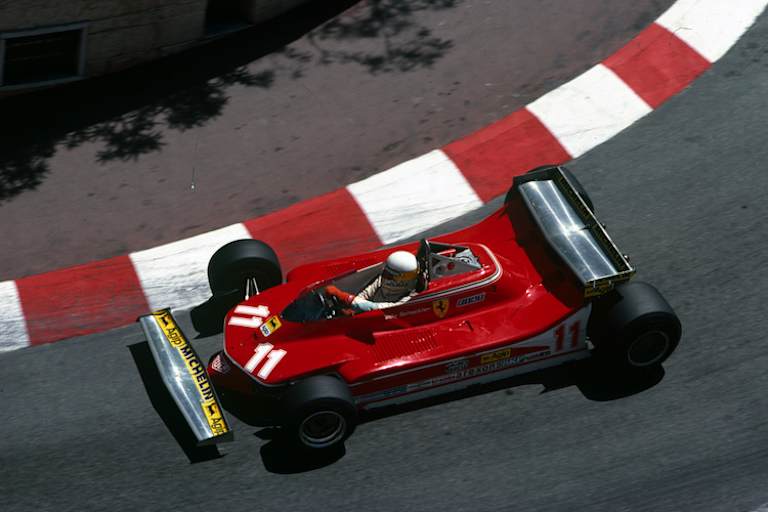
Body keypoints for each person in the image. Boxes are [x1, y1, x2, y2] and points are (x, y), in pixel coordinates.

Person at [325, 250, 419, 313]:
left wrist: (344, 297)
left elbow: (377, 308)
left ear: (400, 279)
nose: (384, 276)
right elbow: (366, 293)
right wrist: (353, 309)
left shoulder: (410, 299)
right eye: (385, 272)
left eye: (389, 275)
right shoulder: (382, 279)